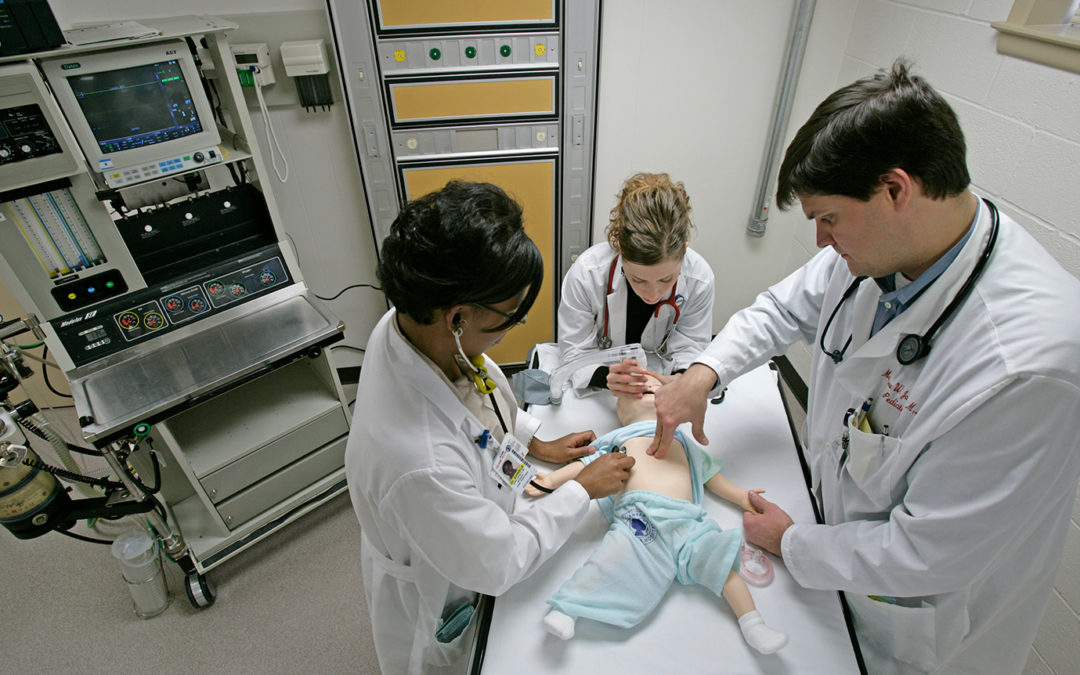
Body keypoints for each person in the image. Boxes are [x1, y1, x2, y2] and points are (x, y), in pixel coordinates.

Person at [643, 60, 1080, 674]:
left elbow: (927, 551)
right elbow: (780, 310)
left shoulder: (1027, 364)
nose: (819, 241)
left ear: (896, 190)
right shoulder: (885, 249)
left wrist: (793, 543)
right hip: (837, 558)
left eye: (827, 217)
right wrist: (703, 375)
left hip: (917, 627)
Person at [345, 180, 636, 675]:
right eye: (509, 317)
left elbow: (477, 404)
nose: (509, 331)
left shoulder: (409, 322)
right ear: (457, 318)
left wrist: (532, 439)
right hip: (442, 580)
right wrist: (581, 491)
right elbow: (497, 562)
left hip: (451, 519)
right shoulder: (420, 462)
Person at [527, 374, 787, 655]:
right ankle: (569, 609)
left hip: (689, 523)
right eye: (639, 391)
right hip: (640, 518)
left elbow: (710, 475)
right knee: (611, 560)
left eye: (656, 387)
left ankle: (753, 624)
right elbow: (587, 466)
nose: (650, 389)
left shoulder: (683, 442)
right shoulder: (618, 440)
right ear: (620, 411)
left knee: (723, 566)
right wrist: (552, 481)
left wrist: (740, 497)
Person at [557, 172, 714, 397]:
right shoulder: (587, 274)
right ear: (620, 247)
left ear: (684, 250)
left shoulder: (699, 278)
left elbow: (692, 345)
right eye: (638, 280)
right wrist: (606, 378)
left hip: (662, 381)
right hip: (601, 389)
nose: (653, 294)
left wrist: (681, 378)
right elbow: (573, 352)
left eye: (666, 280)